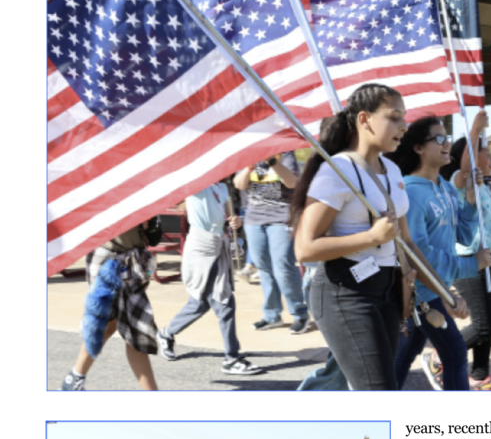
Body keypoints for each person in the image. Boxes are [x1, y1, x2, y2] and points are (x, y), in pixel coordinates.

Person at [292, 83, 459, 391]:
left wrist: (443, 292)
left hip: (389, 291)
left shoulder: (393, 171)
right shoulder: (336, 172)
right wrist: (370, 237)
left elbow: (407, 243)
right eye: (394, 117)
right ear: (364, 120)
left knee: (377, 385)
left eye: (404, 117)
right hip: (345, 293)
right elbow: (304, 249)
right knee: (379, 390)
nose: (403, 126)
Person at [388, 115, 483, 391]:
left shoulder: (444, 188)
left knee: (402, 358)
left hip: (435, 287)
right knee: (455, 354)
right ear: (418, 148)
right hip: (422, 290)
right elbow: (416, 252)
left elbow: (464, 235)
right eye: (438, 139)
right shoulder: (410, 192)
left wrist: (472, 202)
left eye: (447, 139)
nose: (446, 145)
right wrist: (460, 276)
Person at [156, 182, 260, 376]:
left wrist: (235, 222)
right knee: (224, 302)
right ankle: (231, 358)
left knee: (201, 302)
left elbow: (229, 218)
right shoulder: (195, 183)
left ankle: (166, 333)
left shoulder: (222, 187)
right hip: (201, 246)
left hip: (219, 245)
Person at [60, 218, 162, 390]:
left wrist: (150, 223)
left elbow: (154, 238)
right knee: (127, 326)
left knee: (114, 325)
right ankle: (74, 380)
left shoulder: (143, 193)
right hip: (108, 260)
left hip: (133, 261)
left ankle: (74, 379)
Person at [444, 111, 491, 390]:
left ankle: (479, 378)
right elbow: (465, 168)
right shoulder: (458, 182)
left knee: (489, 325)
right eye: (487, 153)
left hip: (488, 258)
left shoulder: (483, 186)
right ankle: (440, 356)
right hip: (468, 258)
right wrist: (476, 128)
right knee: (480, 325)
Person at [233, 153, 312, 334]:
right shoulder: (247, 154)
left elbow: (292, 182)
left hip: (281, 219)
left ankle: (299, 314)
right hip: (254, 219)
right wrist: (249, 166)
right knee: (263, 267)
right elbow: (239, 184)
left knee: (283, 267)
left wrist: (272, 162)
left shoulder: (285, 155)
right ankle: (272, 315)